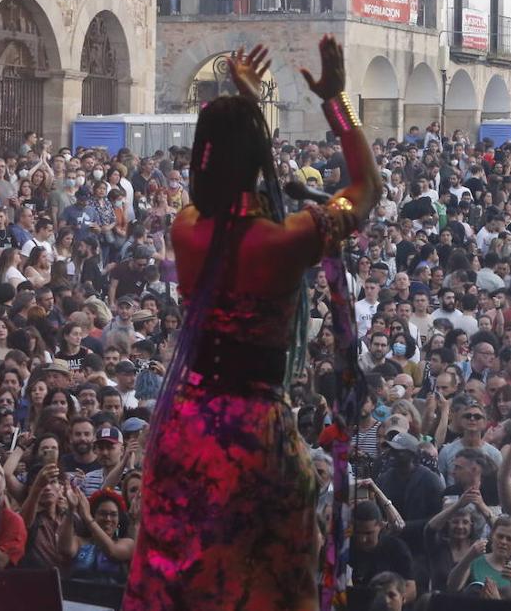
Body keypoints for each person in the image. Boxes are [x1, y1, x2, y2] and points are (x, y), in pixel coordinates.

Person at [123, 37, 380, 611]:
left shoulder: (186, 228)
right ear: (260, 153)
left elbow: (235, 178)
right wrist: (337, 103)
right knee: (261, 583)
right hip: (254, 437)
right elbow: (366, 189)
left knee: (185, 578)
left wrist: (246, 106)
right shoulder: (286, 241)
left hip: (185, 426)